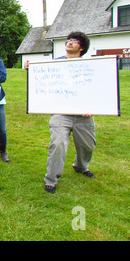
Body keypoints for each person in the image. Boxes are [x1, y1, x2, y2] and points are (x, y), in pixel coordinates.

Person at [25, 31, 96, 194]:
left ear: (82, 47)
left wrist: (92, 107)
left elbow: (96, 89)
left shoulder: (91, 66)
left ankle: (81, 166)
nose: (69, 42)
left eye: (74, 41)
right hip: (60, 112)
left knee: (88, 145)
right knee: (58, 144)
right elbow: (41, 77)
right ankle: (51, 179)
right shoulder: (54, 64)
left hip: (84, 114)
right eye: (68, 40)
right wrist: (30, 68)